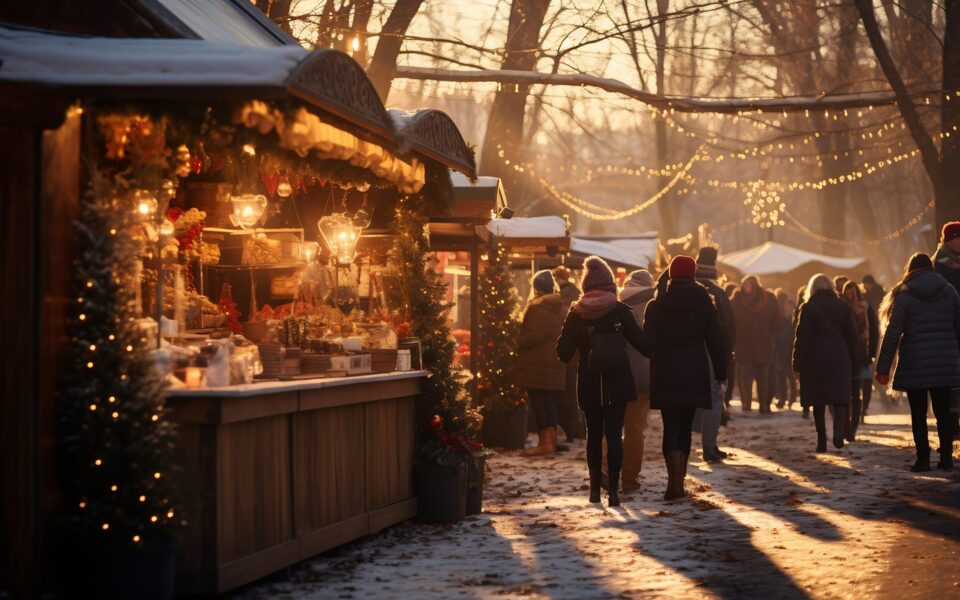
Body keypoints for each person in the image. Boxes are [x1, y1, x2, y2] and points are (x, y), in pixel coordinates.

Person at [557, 256, 650, 506]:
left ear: (585, 287)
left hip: (589, 382)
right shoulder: (621, 311)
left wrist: (584, 351)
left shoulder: (576, 313)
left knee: (594, 435)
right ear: (610, 286)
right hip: (618, 382)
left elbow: (562, 353)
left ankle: (595, 489)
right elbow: (644, 346)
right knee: (615, 434)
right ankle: (615, 492)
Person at [645, 255, 726, 499]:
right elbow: (716, 340)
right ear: (693, 274)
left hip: (666, 371)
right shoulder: (704, 301)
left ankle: (674, 483)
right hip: (694, 370)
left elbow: (648, 343)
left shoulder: (657, 304)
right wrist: (721, 374)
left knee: (670, 425)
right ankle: (679, 482)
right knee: (685, 429)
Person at [875, 253, 960, 471]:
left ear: (910, 270)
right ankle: (947, 459)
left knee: (918, 415)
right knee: (943, 413)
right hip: (944, 363)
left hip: (915, 364)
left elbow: (893, 333)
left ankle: (923, 460)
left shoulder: (904, 295)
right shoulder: (949, 291)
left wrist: (883, 369)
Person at [600, 269, 655, 492]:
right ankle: (630, 479)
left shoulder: (615, 305)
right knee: (634, 429)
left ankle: (605, 470)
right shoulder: (653, 306)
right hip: (643, 378)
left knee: (612, 427)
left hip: (616, 374)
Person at [793, 274, 859, 452]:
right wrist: (855, 362)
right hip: (840, 356)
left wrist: (797, 364)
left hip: (815, 358)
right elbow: (852, 336)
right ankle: (839, 433)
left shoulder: (808, 307)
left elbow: (802, 338)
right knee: (840, 397)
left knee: (818, 401)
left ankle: (821, 442)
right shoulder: (843, 306)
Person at [516, 270, 567, 457]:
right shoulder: (560, 308)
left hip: (536, 363)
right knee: (548, 402)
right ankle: (550, 443)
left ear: (536, 287)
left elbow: (534, 336)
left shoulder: (537, 307)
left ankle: (545, 444)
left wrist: (519, 341)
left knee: (539, 403)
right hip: (554, 362)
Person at [693, 246, 736, 462]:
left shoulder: (680, 290)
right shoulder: (717, 294)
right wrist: (728, 353)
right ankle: (709, 446)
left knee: (686, 400)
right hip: (712, 352)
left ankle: (681, 449)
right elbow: (728, 327)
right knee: (715, 398)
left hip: (685, 352)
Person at [731, 275, 781, 412]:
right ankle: (746, 405)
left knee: (763, 377)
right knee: (745, 377)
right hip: (743, 344)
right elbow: (731, 321)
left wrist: (771, 337)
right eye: (745, 284)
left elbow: (776, 320)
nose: (747, 287)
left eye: (750, 284)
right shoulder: (737, 300)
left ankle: (763, 405)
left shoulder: (768, 299)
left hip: (763, 344)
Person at [841, 281, 879, 441]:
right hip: (846, 354)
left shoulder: (866, 307)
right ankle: (846, 427)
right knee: (847, 394)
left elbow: (874, 330)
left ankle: (853, 428)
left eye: (853, 292)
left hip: (862, 354)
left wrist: (872, 353)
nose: (850, 296)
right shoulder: (842, 307)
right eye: (848, 292)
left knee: (856, 393)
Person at [552, 266, 585, 442]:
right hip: (574, 352)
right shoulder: (575, 293)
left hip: (569, 353)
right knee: (573, 394)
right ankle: (577, 430)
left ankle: (574, 430)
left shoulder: (561, 299)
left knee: (569, 395)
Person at [934, 221, 960, 440]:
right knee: (949, 382)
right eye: (957, 238)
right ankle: (951, 426)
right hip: (946, 330)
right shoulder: (938, 264)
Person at [772, 288, 798, 410]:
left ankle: (786, 399)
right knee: (786, 375)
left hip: (786, 347)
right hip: (787, 347)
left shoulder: (783, 311)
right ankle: (789, 399)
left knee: (784, 375)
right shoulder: (789, 308)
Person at [723, 282, 739, 407]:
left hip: (726, 344)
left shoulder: (724, 303)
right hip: (730, 345)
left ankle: (726, 400)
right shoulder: (733, 305)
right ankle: (727, 399)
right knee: (730, 375)